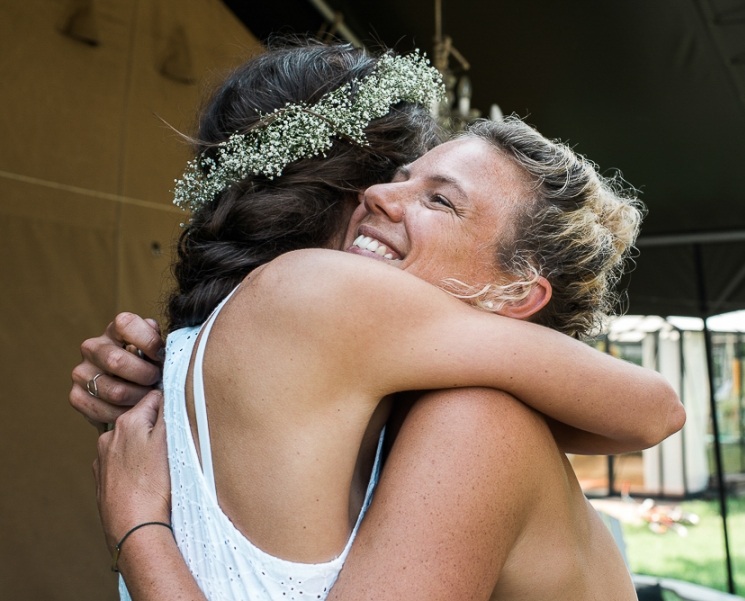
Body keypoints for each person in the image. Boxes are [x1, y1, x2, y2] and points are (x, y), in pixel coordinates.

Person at [74, 40, 683, 600]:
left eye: (439, 199)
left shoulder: (475, 420)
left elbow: (657, 409)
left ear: (517, 292)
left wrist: (138, 530)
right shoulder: (351, 388)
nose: (379, 198)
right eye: (396, 177)